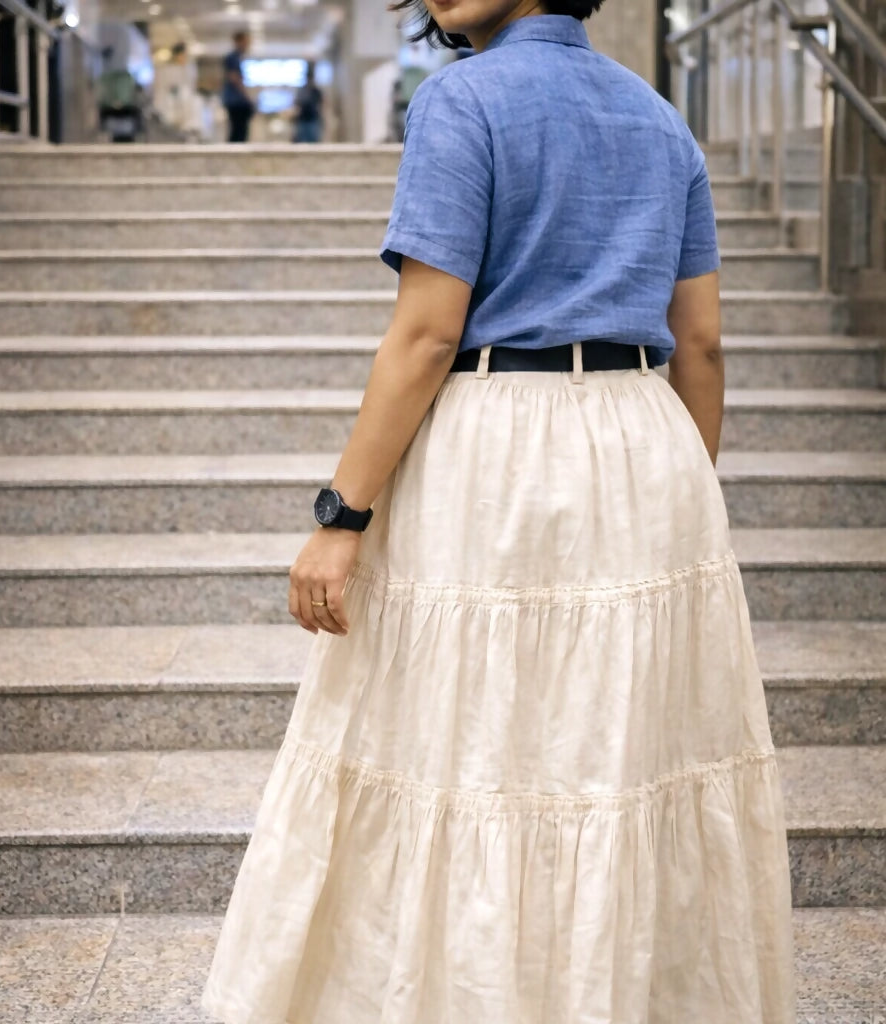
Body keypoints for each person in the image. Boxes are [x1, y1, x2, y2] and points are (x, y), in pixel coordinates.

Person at [203, 1, 797, 1022]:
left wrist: (340, 515)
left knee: (465, 742)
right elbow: (698, 343)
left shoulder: (460, 103)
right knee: (618, 751)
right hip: (645, 440)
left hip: (498, 445)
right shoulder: (659, 117)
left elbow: (425, 335)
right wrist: (676, 497)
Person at [222, 30, 254, 143]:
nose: (248, 44)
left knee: (239, 131)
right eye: (246, 41)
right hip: (236, 102)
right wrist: (247, 98)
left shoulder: (238, 58)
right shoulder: (232, 57)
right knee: (238, 131)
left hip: (236, 101)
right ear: (238, 41)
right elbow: (234, 78)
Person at [293, 62, 324, 143]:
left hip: (313, 119)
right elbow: (297, 104)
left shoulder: (316, 91)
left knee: (313, 141)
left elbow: (321, 104)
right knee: (302, 140)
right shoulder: (302, 90)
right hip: (303, 119)